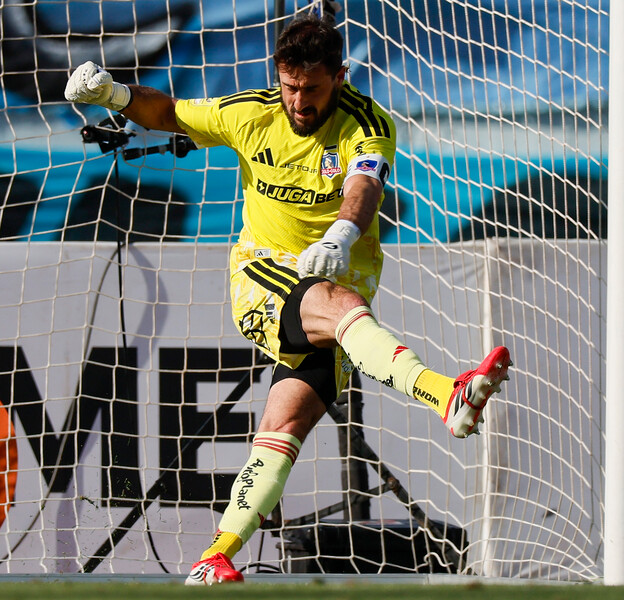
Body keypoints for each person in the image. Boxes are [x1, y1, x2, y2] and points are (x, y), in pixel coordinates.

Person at [64, 11, 511, 586]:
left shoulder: (366, 124)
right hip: (264, 274)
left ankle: (215, 557)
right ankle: (445, 395)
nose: (300, 101)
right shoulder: (250, 113)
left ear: (340, 77)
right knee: (337, 304)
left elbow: (364, 185)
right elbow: (169, 113)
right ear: (278, 75)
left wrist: (341, 234)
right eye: (290, 86)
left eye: (313, 88)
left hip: (336, 288)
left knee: (284, 427)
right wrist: (115, 94)